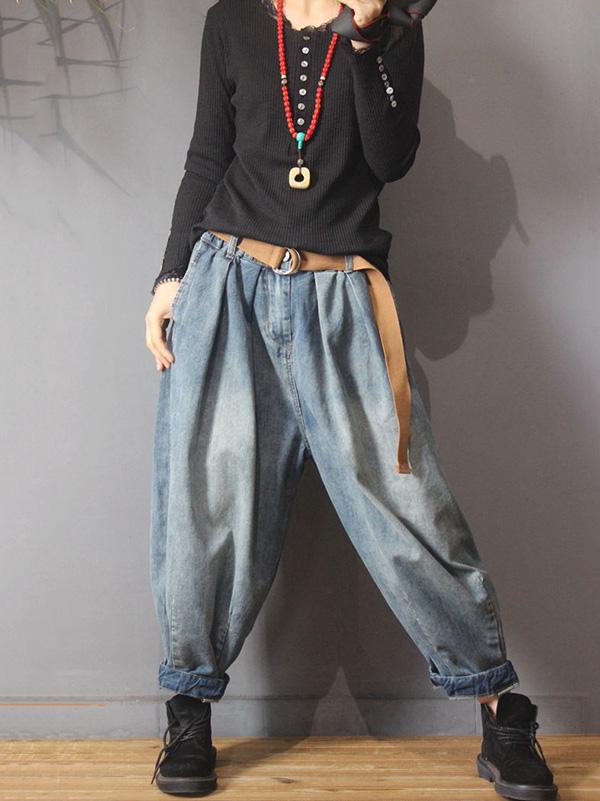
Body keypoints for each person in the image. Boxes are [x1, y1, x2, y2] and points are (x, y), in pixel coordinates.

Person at [144, 1, 558, 798]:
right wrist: (170, 276)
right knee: (207, 506)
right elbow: (207, 156)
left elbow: (391, 157)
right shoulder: (231, 21)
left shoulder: (391, 22)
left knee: (409, 507)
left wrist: (367, 39)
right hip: (228, 286)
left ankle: (502, 710)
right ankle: (189, 709)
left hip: (342, 298)